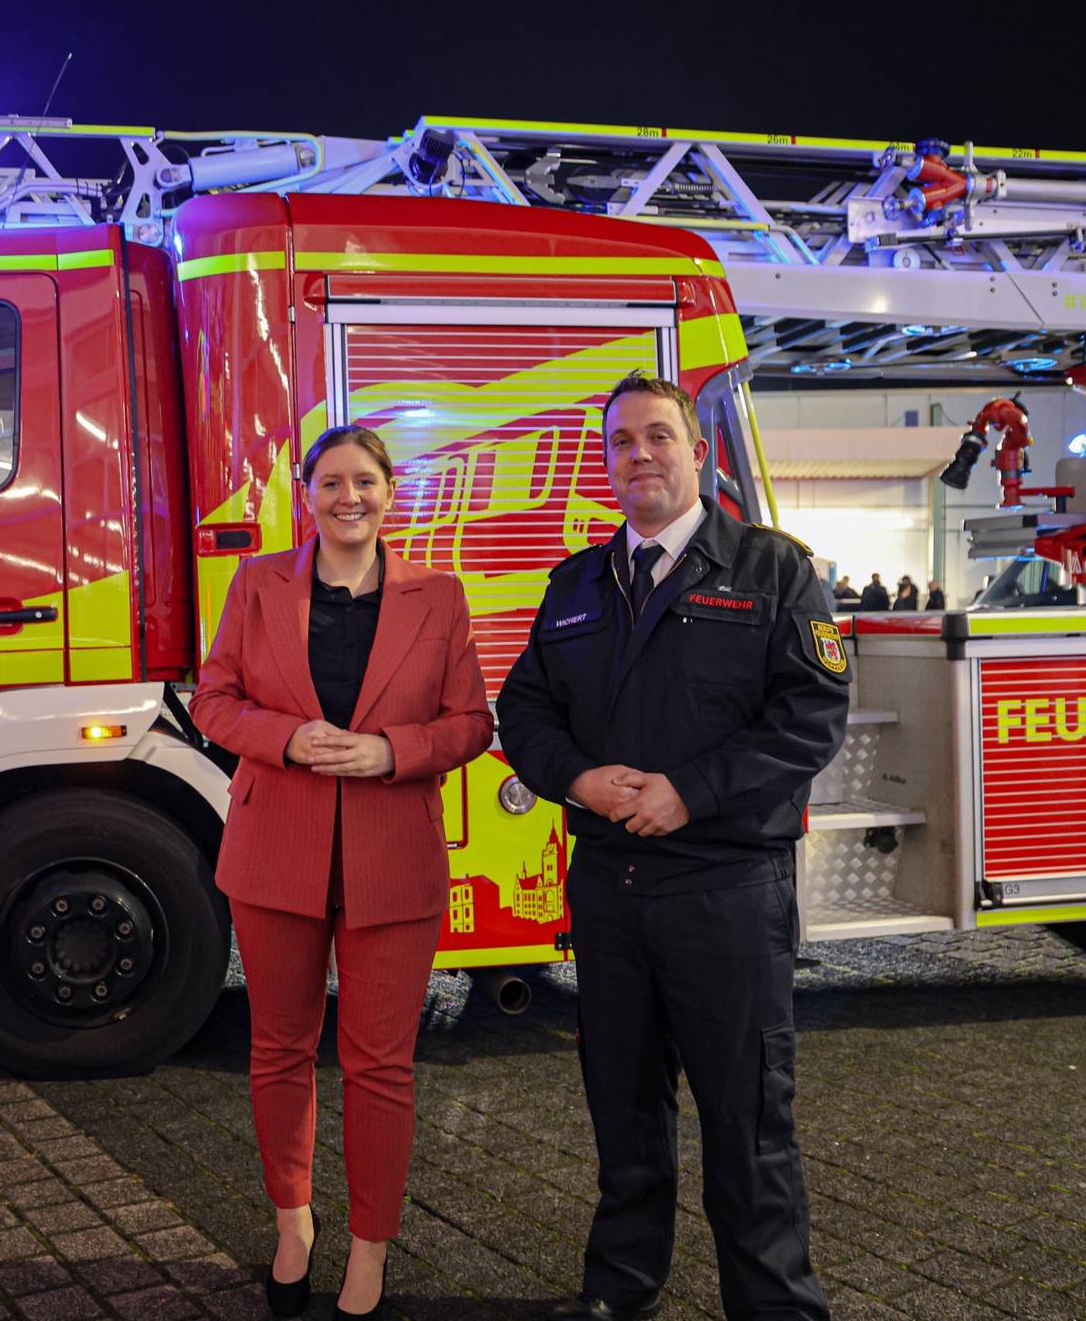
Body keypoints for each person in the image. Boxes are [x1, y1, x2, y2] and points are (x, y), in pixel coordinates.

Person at [498, 372, 850, 1321]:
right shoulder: (577, 583)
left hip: (726, 891)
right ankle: (619, 1290)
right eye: (621, 441)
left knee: (746, 1120)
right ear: (606, 463)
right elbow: (524, 708)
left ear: (700, 454)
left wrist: (689, 793)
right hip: (609, 892)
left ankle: (775, 1306)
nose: (639, 455)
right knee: (622, 1106)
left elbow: (811, 718)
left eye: (659, 436)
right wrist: (575, 778)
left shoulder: (774, 571)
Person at [191, 425, 493, 1320]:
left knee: (379, 1067)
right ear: (307, 494)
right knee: (279, 1051)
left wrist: (391, 751)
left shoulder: (438, 597)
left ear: (390, 493)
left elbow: (471, 723)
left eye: (364, 481)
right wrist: (283, 738)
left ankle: (369, 1250)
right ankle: (294, 1226)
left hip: (391, 856)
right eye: (330, 482)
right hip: (273, 853)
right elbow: (212, 700)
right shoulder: (257, 584)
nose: (347, 497)